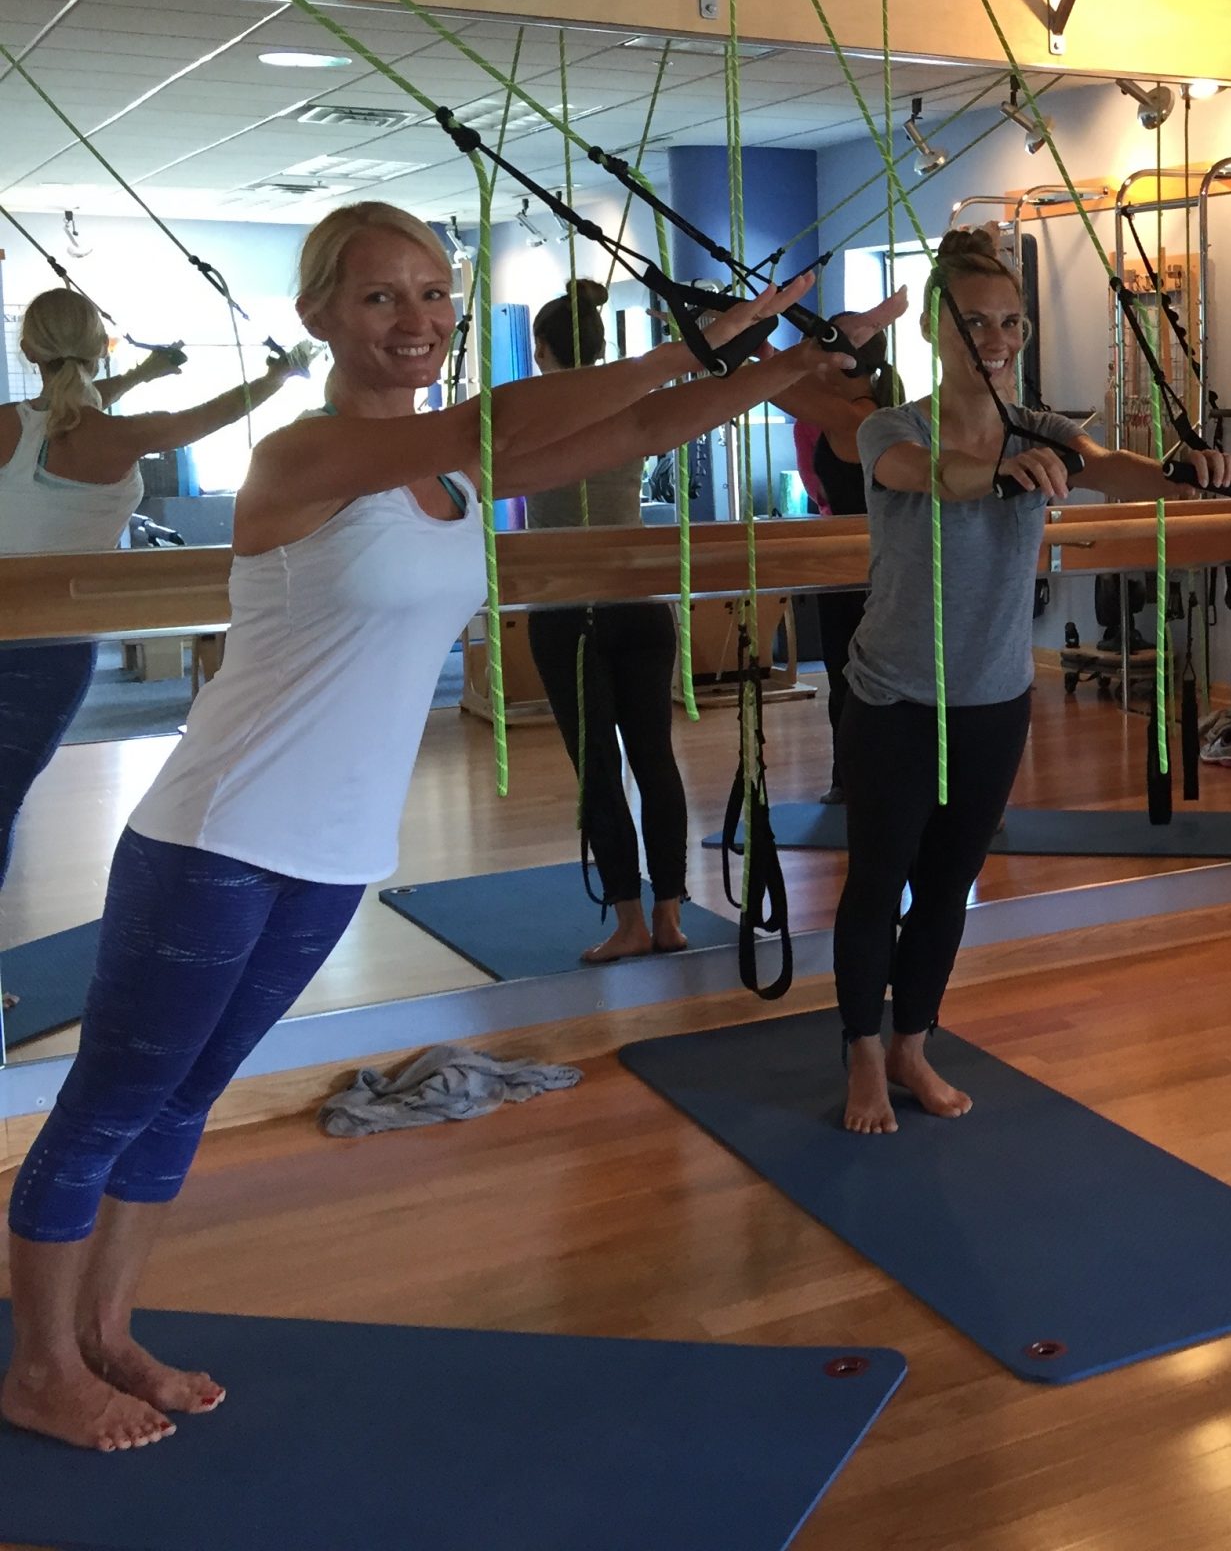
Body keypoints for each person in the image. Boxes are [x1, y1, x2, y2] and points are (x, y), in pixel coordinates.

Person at [1, 202, 838, 1453]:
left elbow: (650, 427)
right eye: (384, 297)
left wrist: (795, 365)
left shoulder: (453, 477)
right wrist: (703, 333)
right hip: (216, 837)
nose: (418, 321)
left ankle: (107, 1334)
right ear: (319, 316)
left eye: (437, 296)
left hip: (339, 851)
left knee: (186, 1099)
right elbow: (504, 415)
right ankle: (36, 1369)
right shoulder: (302, 454)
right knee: (117, 1098)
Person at [835, 226, 1231, 1135]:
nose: (999, 341)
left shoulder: (1045, 433)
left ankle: (912, 1045)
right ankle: (862, 1056)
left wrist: (1190, 474)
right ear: (939, 328)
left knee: (948, 886)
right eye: (978, 323)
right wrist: (1000, 473)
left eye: (1012, 323)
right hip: (894, 698)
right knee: (878, 883)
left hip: (993, 699)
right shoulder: (890, 429)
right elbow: (936, 476)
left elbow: (1115, 469)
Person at [0, 293, 309, 893]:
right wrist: (278, 376)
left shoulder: (10, 420)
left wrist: (142, 374)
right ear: (98, 349)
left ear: (29, 350)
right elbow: (209, 416)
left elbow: (62, 415)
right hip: (52, 644)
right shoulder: (117, 438)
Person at [517, 280, 681, 963]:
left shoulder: (527, 413)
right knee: (653, 760)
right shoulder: (630, 403)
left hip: (570, 614)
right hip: (641, 607)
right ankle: (667, 918)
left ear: (543, 350)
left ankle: (632, 923)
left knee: (599, 769)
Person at [785, 328, 904, 805]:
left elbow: (775, 388)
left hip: (869, 571)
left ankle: (868, 779)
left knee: (861, 682)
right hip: (845, 570)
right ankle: (849, 777)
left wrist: (745, 352)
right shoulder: (871, 410)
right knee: (845, 680)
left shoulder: (860, 418)